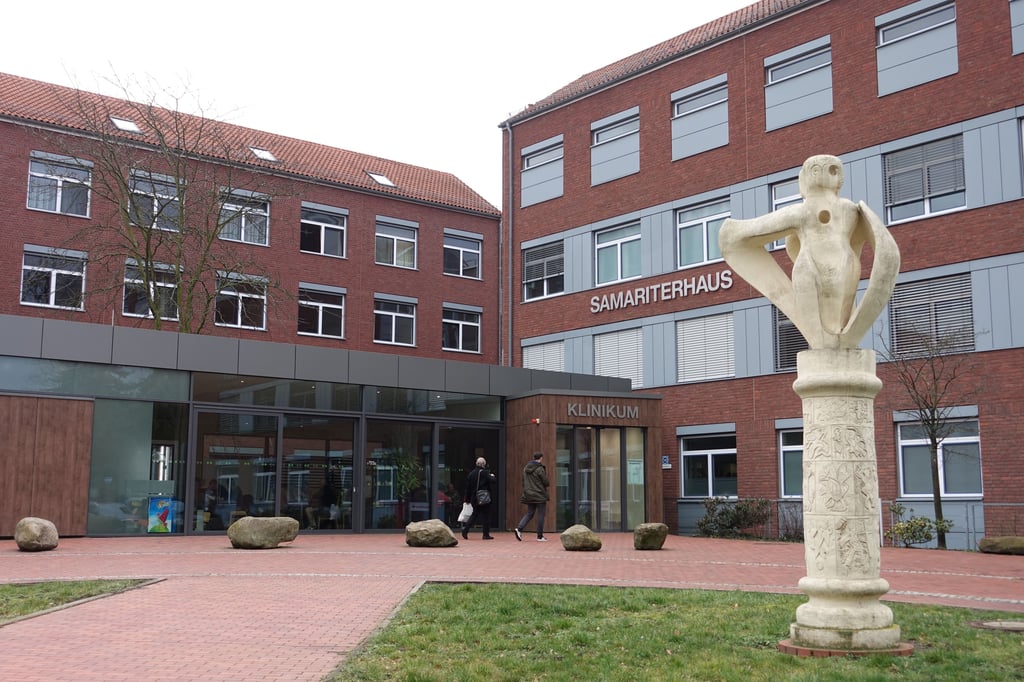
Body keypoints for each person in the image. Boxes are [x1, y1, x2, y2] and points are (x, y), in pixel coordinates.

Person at [719, 154, 900, 351]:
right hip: (842, 266)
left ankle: (831, 342)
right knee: (834, 321)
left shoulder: (803, 211)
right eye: (833, 170)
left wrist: (730, 231)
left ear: (806, 178)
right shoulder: (848, 209)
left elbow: (747, 233)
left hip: (815, 267)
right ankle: (834, 341)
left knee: (828, 328)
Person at [514, 451, 550, 542]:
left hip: (529, 494)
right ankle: (540, 536)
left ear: (534, 458)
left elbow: (523, 481)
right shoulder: (539, 468)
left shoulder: (526, 468)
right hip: (539, 494)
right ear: (541, 458)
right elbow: (545, 482)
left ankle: (519, 529)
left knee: (530, 513)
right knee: (541, 514)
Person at [462, 457, 496, 540]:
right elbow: (493, 481)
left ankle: (465, 530)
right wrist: (492, 476)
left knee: (474, 514)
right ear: (483, 464)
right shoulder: (485, 472)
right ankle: (485, 534)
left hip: (474, 498)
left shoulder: (471, 474)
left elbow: (468, 488)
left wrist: (467, 499)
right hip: (484, 498)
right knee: (486, 516)